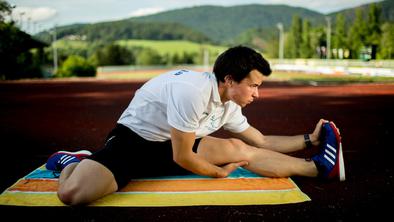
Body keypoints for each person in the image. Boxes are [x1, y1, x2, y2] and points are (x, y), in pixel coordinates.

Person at [46, 45, 345, 206]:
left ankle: (318, 167)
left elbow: (262, 141)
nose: (257, 94)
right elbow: (183, 157)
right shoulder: (192, 91)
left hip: (177, 144)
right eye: (253, 86)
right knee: (72, 196)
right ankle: (75, 161)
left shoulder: (228, 102)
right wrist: (218, 172)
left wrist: (310, 139)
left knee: (239, 147)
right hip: (134, 142)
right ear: (229, 80)